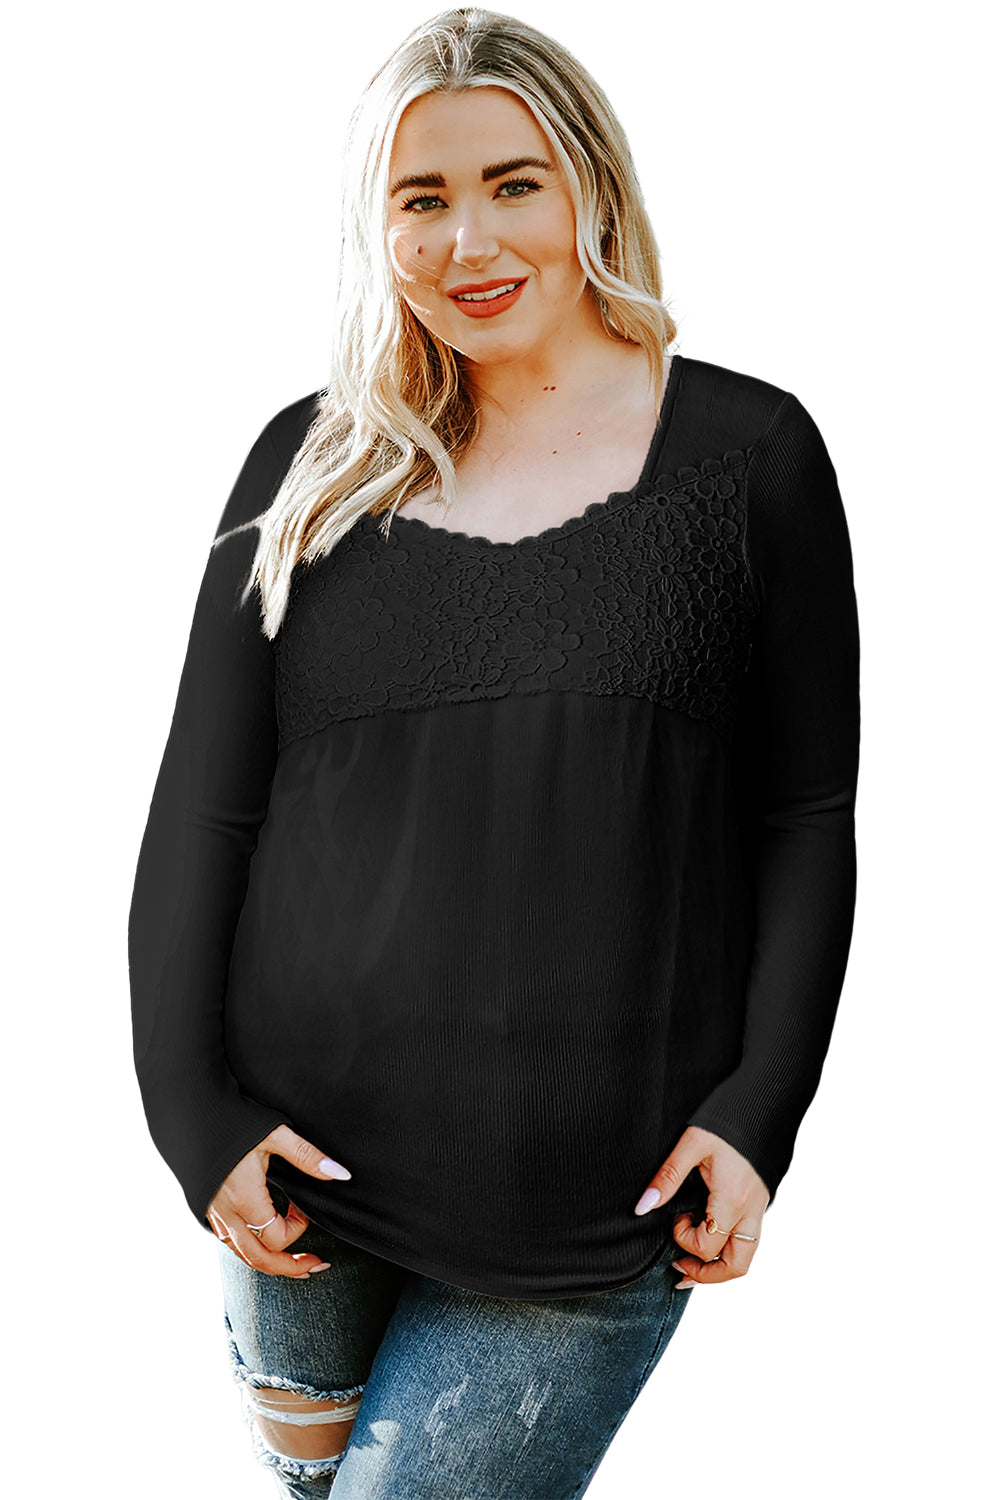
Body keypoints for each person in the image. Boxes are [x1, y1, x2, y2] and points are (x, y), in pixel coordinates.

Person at [127, 8, 860, 1498]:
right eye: (423, 197)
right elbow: (205, 812)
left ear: (591, 184)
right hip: (299, 1183)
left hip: (588, 1202)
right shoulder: (309, 465)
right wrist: (191, 1119)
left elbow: (802, 814)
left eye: (513, 183)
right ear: (379, 225)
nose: (469, 239)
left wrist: (757, 1114)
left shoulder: (749, 459)